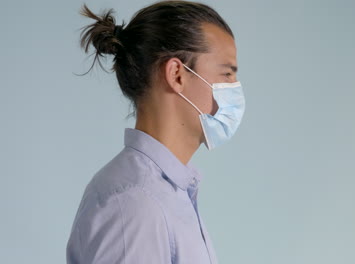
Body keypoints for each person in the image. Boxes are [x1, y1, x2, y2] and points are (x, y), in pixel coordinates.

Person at [66, 1, 245, 263]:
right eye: (227, 74)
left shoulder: (166, 193)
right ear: (177, 75)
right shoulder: (135, 205)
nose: (235, 87)